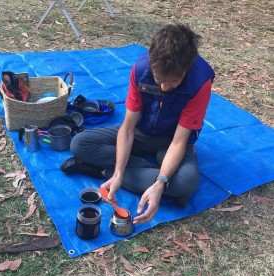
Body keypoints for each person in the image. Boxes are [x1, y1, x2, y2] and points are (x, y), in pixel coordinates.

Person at [62, 23, 215, 224]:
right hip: (141, 133)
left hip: (172, 141)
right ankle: (141, 173)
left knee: (186, 182)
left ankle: (102, 171)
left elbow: (179, 141)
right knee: (79, 143)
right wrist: (118, 175)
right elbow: (127, 128)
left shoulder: (200, 81)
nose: (164, 87)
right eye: (159, 79)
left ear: (186, 69)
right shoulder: (141, 69)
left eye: (173, 82)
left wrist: (160, 183)